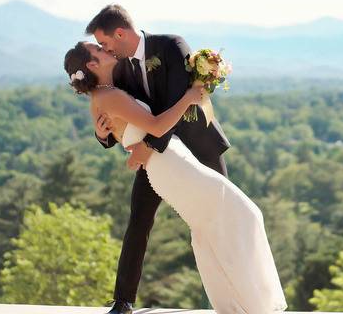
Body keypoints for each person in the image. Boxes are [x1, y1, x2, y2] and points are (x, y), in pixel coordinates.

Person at [64, 38, 287, 314]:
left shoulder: (110, 88)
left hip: (173, 158)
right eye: (98, 49)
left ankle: (236, 305)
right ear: (92, 64)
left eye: (103, 43)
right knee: (244, 214)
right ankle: (250, 304)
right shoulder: (108, 95)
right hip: (170, 164)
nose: (104, 48)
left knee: (213, 226)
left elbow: (123, 124)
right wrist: (190, 97)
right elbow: (156, 126)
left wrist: (106, 133)